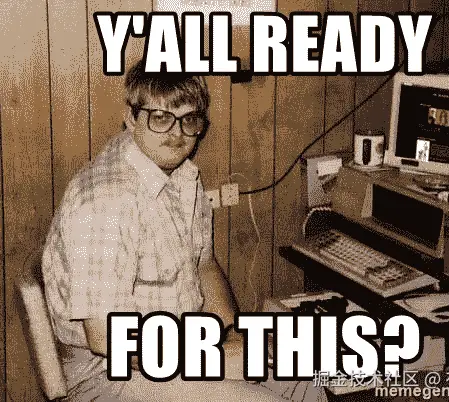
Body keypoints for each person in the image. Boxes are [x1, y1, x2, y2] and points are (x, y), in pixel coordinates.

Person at [41, 59, 328, 402]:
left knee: (305, 376)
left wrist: (232, 335)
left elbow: (204, 267)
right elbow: (106, 337)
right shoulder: (105, 201)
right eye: (161, 118)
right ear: (131, 117)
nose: (177, 134)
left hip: (178, 346)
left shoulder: (182, 176)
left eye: (189, 119)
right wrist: (212, 357)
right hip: (107, 374)